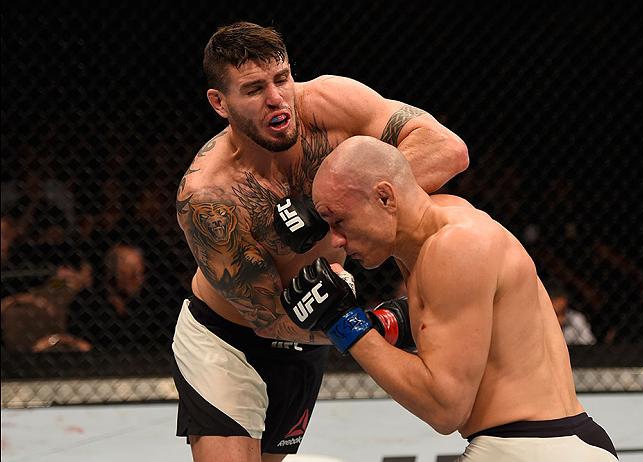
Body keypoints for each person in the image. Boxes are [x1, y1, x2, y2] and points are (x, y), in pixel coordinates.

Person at [172, 22, 468, 462]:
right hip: (227, 339)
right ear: (220, 102)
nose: (277, 99)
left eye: (282, 78)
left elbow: (447, 149)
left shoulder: (330, 105)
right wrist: (369, 326)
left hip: (312, 333)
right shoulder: (208, 196)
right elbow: (267, 318)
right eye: (253, 89)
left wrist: (326, 210)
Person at [281, 136, 618, 461]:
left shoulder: (454, 248)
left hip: (529, 446)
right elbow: (458, 329)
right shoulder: (436, 227)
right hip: (549, 440)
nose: (336, 239)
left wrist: (344, 323)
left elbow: (444, 408)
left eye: (340, 221)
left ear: (385, 197)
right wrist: (383, 325)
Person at [546, 279, 596, 345]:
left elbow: (588, 341)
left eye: (563, 312)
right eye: (556, 314)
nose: (560, 319)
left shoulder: (576, 318)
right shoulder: (540, 320)